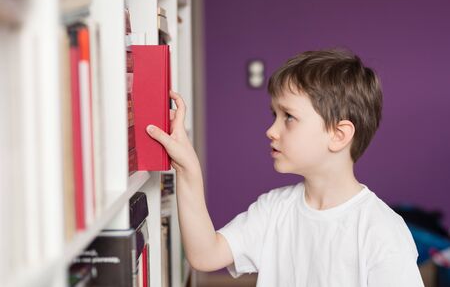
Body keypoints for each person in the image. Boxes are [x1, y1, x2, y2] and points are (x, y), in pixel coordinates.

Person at [146, 49, 424, 286]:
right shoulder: (273, 209)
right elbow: (205, 255)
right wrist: (187, 170)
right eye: (274, 115)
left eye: (288, 117)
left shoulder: (382, 231)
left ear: (338, 135)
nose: (271, 130)